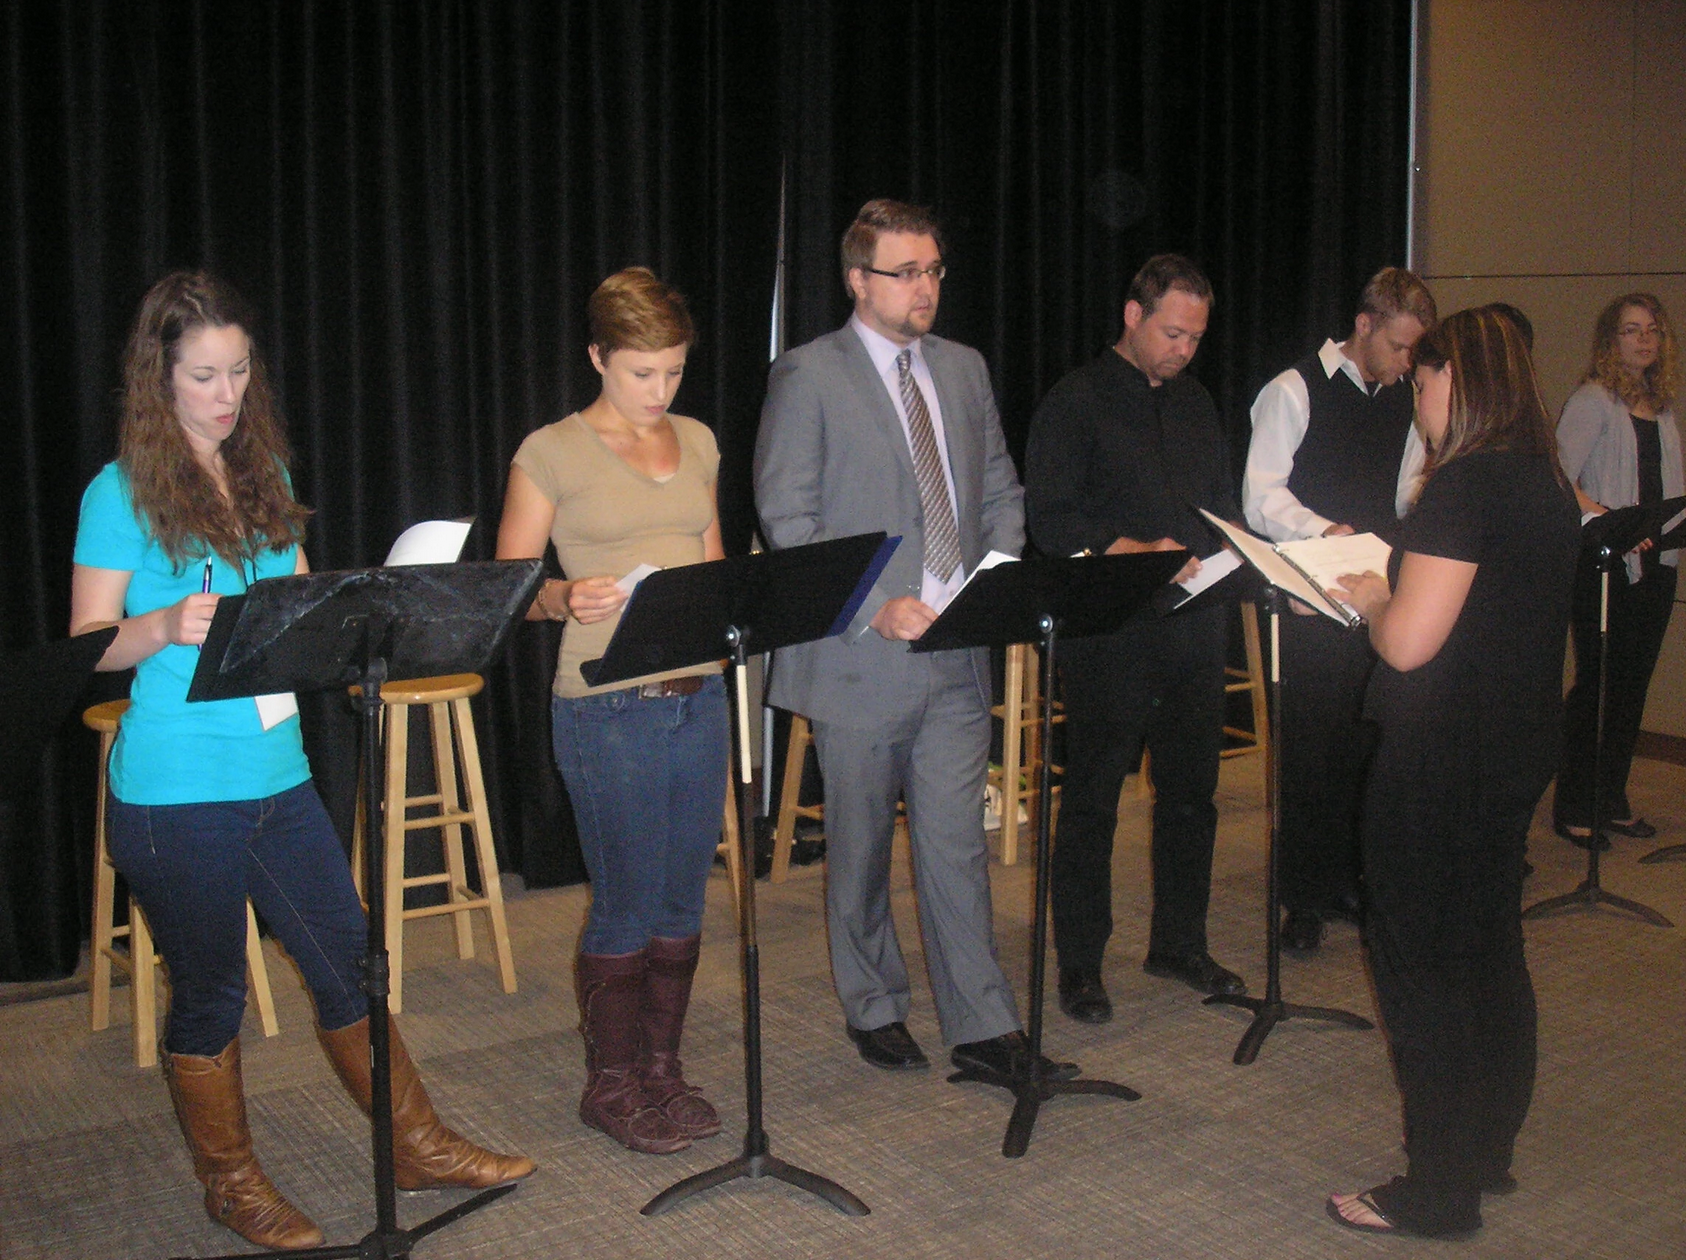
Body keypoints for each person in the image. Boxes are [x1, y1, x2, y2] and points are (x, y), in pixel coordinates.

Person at [70, 272, 533, 1252]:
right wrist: (157, 625)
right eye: (204, 376)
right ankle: (230, 1184)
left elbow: (282, 625)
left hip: (276, 774)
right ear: (160, 379)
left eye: (239, 371)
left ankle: (412, 1143)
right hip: (174, 789)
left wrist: (357, 628)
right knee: (211, 994)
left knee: (347, 963)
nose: (226, 394)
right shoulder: (117, 494)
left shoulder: (263, 476)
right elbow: (88, 644)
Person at [755, 198, 1064, 1082]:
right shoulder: (809, 376)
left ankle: (982, 1028)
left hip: (959, 649)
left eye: (933, 270)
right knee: (857, 844)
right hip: (861, 653)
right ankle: (875, 1003)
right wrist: (877, 603)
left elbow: (1001, 485)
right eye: (905, 272)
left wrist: (996, 576)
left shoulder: (962, 368)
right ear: (859, 279)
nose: (925, 287)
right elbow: (787, 517)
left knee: (955, 843)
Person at [1326, 307, 1580, 1238]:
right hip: (1512, 745)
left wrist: (1370, 594)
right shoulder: (1547, 483)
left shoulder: (1463, 486)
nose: (1417, 400)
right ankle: (1485, 1151)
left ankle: (1438, 1189)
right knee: (1487, 949)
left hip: (1442, 760)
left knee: (1420, 967)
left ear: (1455, 383)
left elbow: (1407, 644)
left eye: (1423, 382)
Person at [497, 268, 729, 1156]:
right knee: (627, 903)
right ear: (598, 357)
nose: (659, 391)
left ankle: (663, 1069)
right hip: (606, 708)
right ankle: (612, 1082)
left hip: (696, 694)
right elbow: (511, 590)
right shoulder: (550, 452)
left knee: (680, 900)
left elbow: (710, 569)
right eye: (641, 373)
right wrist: (566, 596)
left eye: (672, 372)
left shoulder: (699, 440)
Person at [1024, 253, 1246, 1023]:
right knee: (1092, 804)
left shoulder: (1197, 405)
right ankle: (1081, 964)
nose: (1183, 350)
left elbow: (1221, 505)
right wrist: (1129, 551)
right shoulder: (1075, 401)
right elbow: (1049, 521)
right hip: (1111, 633)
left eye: (1195, 337)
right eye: (1172, 333)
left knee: (1194, 796)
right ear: (1132, 315)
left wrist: (1235, 551)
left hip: (1193, 626)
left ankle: (1179, 942)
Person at [1242, 267, 1436, 953]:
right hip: (1311, 598)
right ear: (1364, 326)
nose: (1408, 361)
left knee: (1365, 742)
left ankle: (1348, 878)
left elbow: (1409, 491)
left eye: (1417, 351)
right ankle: (1301, 898)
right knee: (1310, 750)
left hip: (1379, 596)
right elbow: (1260, 496)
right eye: (1400, 345)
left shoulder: (1406, 400)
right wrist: (1325, 532)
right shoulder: (1293, 390)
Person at [1552, 293, 1682, 848]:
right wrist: (1608, 518)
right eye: (1631, 330)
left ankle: (1613, 798)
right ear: (1612, 340)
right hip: (1605, 561)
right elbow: (1558, 479)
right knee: (1599, 687)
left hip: (1658, 561)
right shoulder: (1592, 400)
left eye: (1651, 329)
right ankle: (1576, 803)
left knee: (1633, 687)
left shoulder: (1665, 404)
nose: (1644, 339)